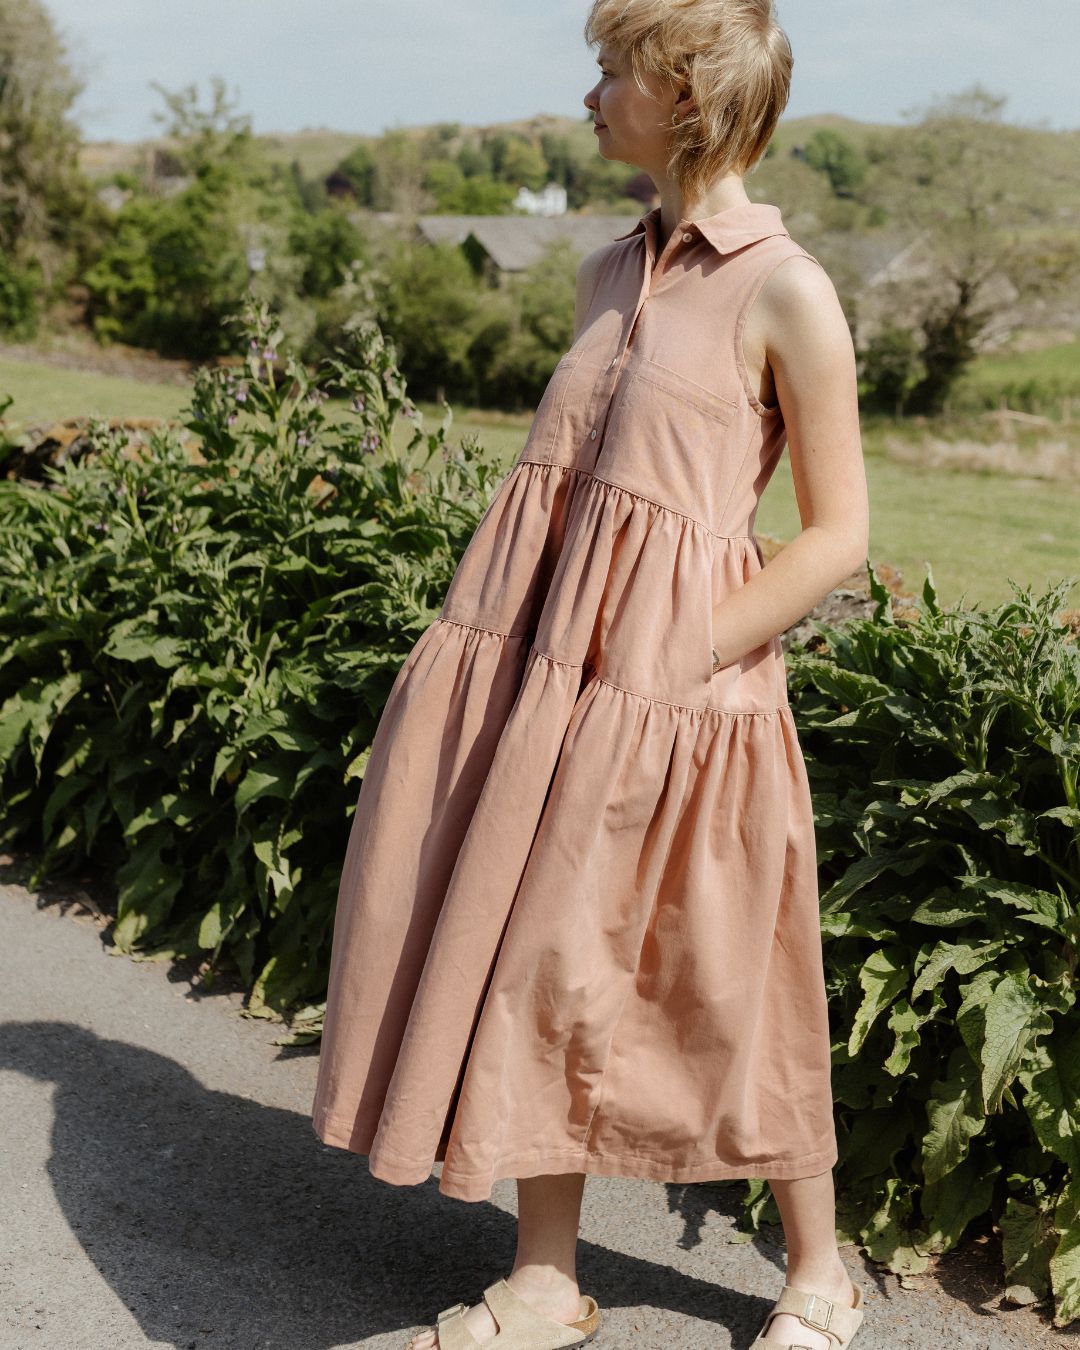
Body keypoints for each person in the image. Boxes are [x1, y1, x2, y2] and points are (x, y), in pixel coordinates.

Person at [311, 1, 871, 1346]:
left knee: (739, 979)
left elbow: (842, 533)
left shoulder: (787, 286)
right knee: (538, 955)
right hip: (552, 680)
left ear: (685, 94)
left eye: (611, 71)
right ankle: (549, 1277)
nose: (589, 96)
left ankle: (821, 1274)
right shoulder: (607, 272)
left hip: (692, 704)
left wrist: (688, 650)